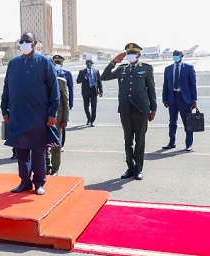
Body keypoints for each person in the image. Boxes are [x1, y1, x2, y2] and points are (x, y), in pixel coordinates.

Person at [1, 32, 59, 196]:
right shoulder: (13, 63)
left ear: (34, 43)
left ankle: (39, 182)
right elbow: (6, 87)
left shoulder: (44, 62)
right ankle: (25, 181)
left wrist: (52, 113)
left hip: (38, 115)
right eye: (22, 41)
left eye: (27, 41)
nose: (24, 44)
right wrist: (4, 109)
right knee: (20, 150)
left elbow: (54, 90)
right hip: (17, 115)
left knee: (38, 150)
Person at [102, 43, 157, 180]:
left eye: (133, 53)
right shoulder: (121, 69)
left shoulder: (146, 69)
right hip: (125, 109)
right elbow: (104, 76)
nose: (130, 56)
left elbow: (151, 90)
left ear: (138, 55)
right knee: (128, 140)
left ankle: (138, 169)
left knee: (140, 140)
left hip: (141, 110)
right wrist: (113, 62)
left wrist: (153, 109)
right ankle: (130, 167)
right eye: (128, 54)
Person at [162, 50, 197, 151]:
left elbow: (193, 85)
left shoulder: (188, 67)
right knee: (172, 122)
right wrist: (164, 99)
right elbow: (165, 85)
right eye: (174, 56)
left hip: (184, 98)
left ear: (182, 56)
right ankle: (171, 142)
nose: (175, 57)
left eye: (177, 55)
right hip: (172, 97)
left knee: (187, 122)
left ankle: (188, 144)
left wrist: (194, 99)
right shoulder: (168, 69)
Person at [46, 75, 69, 175]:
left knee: (56, 144)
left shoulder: (61, 81)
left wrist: (65, 119)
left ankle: (55, 168)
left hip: (57, 118)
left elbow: (65, 101)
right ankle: (46, 166)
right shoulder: (39, 79)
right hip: (42, 117)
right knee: (43, 144)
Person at [52, 55, 73, 147]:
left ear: (62, 64)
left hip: (63, 104)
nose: (57, 64)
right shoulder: (50, 73)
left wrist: (70, 104)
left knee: (61, 126)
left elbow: (70, 90)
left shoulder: (66, 74)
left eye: (59, 63)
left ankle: (61, 144)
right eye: (55, 63)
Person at [76, 59, 103, 126]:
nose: (91, 65)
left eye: (92, 63)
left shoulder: (96, 71)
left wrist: (101, 91)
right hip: (86, 91)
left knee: (94, 106)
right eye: (89, 63)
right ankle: (88, 118)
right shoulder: (82, 71)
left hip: (94, 90)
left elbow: (99, 81)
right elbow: (78, 81)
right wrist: (85, 77)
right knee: (86, 106)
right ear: (87, 64)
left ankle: (92, 120)